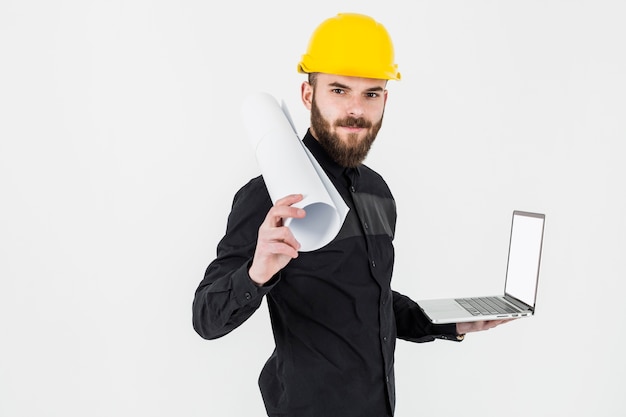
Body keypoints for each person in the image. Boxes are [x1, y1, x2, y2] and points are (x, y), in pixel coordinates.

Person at [193, 12, 509, 417]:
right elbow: (205, 319)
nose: (355, 110)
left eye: (371, 94)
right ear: (308, 96)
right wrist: (256, 272)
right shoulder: (269, 196)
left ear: (385, 100)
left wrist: (451, 323)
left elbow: (371, 302)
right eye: (339, 90)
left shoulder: (378, 193)